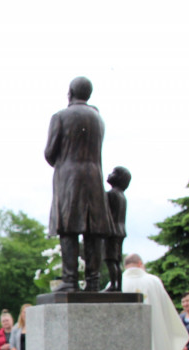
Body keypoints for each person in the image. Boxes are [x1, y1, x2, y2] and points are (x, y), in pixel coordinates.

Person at [44, 76, 112, 292]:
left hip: (69, 177)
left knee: (68, 228)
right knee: (93, 230)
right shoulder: (98, 118)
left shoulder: (61, 116)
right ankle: (93, 281)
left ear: (70, 93)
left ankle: (70, 280)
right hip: (94, 175)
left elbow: (50, 153)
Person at [103, 166, 131, 292]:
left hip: (111, 231)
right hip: (120, 230)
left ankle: (114, 285)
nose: (109, 174)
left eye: (113, 173)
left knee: (110, 259)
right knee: (117, 260)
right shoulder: (122, 196)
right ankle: (117, 285)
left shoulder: (111, 194)